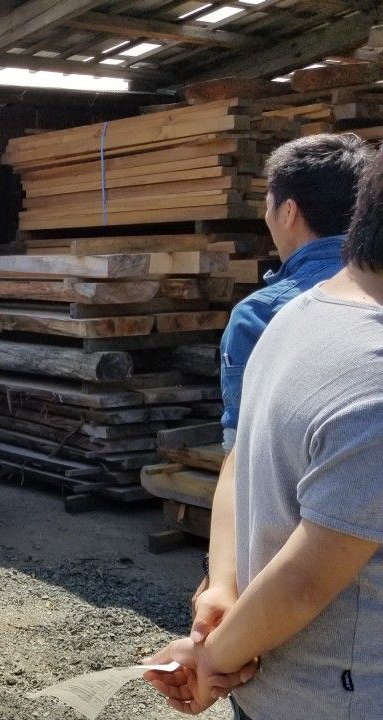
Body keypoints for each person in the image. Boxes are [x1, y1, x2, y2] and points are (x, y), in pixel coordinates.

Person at [144, 148, 383, 718]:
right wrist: (212, 660)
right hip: (339, 699)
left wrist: (220, 589)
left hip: (270, 688)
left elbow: (238, 462)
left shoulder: (289, 317)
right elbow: (307, 576)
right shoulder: (376, 372)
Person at [188, 133, 374, 611]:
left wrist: (220, 579)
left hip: (285, 577)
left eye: (268, 205)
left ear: (288, 211)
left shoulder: (263, 315)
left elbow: (243, 458)